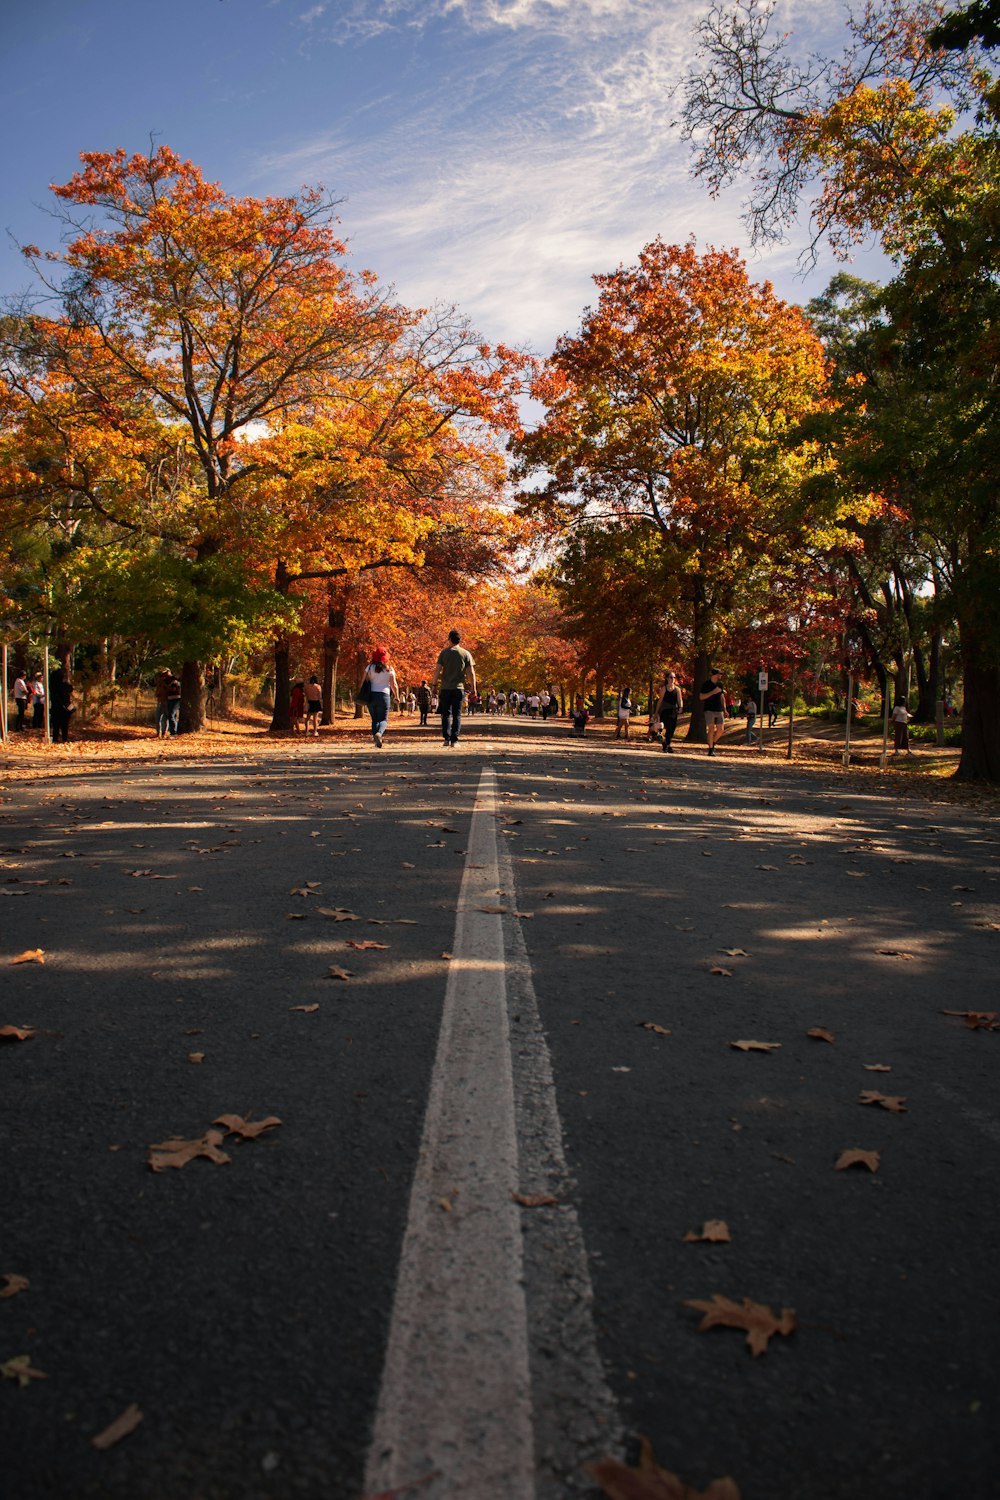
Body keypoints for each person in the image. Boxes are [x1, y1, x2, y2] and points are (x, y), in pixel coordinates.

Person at [433, 629, 476, 746]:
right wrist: (473, 688)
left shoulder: (444, 653)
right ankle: (454, 740)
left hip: (445, 688)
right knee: (457, 714)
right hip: (459, 688)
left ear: (449, 639)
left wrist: (434, 685)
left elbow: (437, 670)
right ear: (459, 640)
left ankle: (446, 738)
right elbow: (470, 672)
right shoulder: (465, 654)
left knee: (445, 714)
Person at [358, 647, 399, 748]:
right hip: (384, 695)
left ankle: (376, 740)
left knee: (374, 720)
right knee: (384, 720)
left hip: (371, 695)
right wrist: (396, 696)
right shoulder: (389, 669)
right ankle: (379, 734)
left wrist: (361, 692)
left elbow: (363, 681)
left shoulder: (369, 667)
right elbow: (394, 684)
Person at [699, 669, 726, 756]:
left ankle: (713, 743)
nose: (720, 676)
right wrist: (713, 692)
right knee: (711, 729)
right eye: (719, 674)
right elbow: (701, 697)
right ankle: (711, 749)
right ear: (714, 675)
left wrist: (725, 709)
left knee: (720, 730)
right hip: (709, 709)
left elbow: (722, 697)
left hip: (719, 710)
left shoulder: (720, 684)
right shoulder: (706, 684)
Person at [656, 671, 683, 753]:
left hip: (673, 710)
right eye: (671, 677)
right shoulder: (664, 689)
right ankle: (668, 745)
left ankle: (666, 743)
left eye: (674, 677)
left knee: (672, 728)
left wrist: (680, 707)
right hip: (665, 710)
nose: (673, 679)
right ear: (667, 678)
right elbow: (660, 701)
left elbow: (680, 700)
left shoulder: (677, 689)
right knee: (668, 726)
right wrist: (656, 712)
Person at [49, 668, 75, 743]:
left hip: (56, 707)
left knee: (56, 725)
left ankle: (55, 738)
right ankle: (64, 738)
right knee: (64, 725)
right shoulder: (64, 685)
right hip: (65, 707)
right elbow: (71, 689)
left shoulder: (52, 687)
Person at [163, 670, 182, 736]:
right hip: (169, 699)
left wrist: (166, 686)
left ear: (169, 672)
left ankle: (174, 731)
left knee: (171, 715)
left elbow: (173, 689)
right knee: (170, 715)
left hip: (176, 699)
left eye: (166, 673)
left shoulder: (174, 680)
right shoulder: (165, 680)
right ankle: (172, 731)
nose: (165, 674)